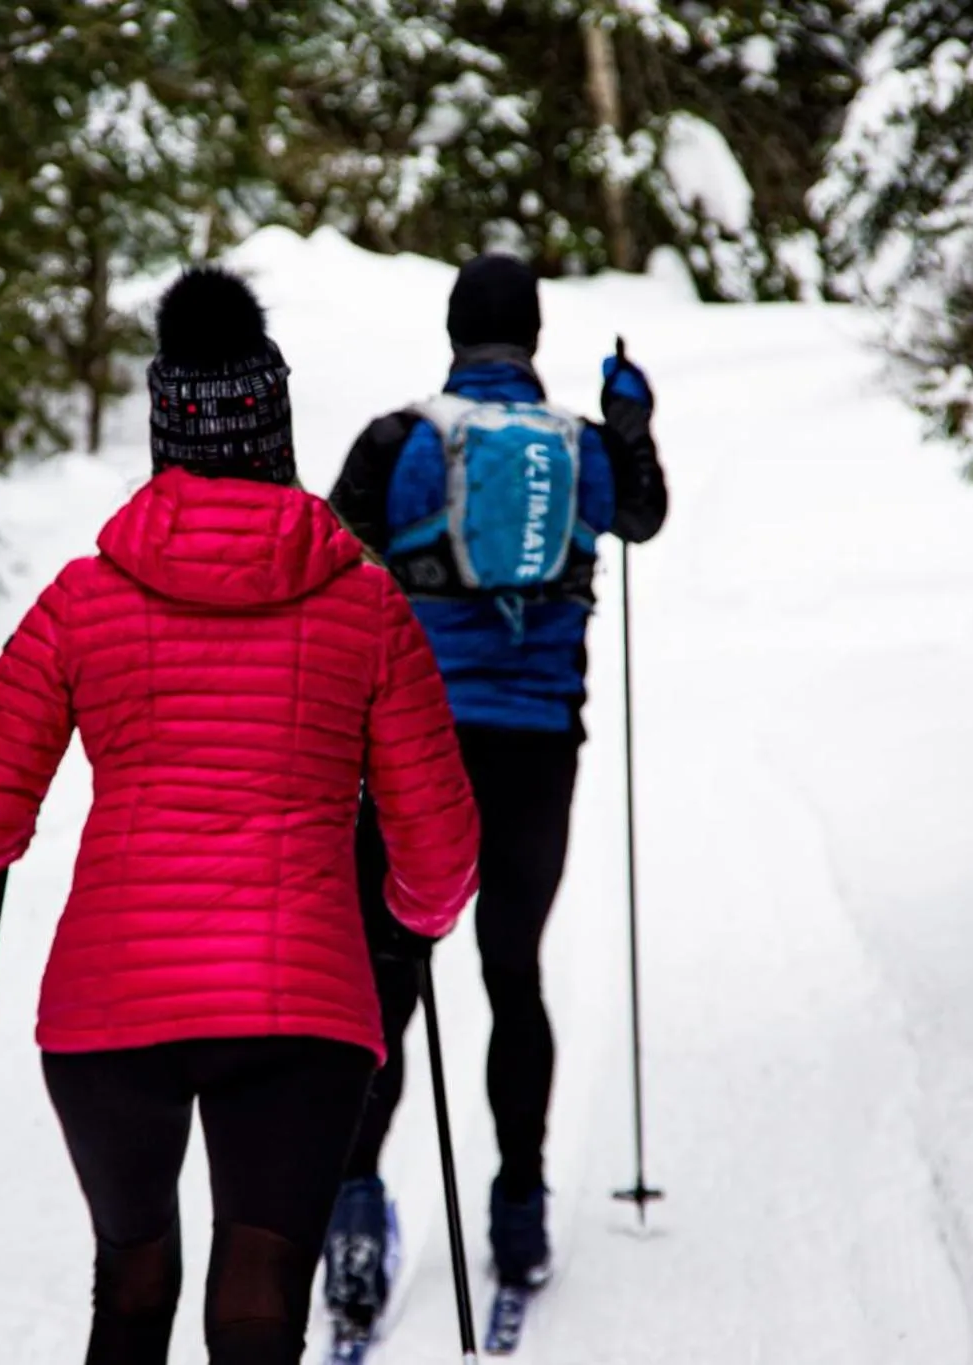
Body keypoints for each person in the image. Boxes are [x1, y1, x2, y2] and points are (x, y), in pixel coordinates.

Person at [0, 265, 480, 1365]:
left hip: (108, 1012)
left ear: (164, 431)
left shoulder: (79, 601)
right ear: (271, 426)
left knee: (131, 1286)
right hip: (303, 1012)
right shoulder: (365, 602)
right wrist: (412, 911)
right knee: (257, 1305)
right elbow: (440, 857)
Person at [321, 252, 668, 1327]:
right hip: (536, 751)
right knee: (511, 974)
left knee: (388, 976)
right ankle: (517, 1206)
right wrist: (629, 423)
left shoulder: (398, 442)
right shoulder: (577, 448)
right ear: (530, 335)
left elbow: (331, 559)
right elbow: (643, 518)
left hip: (413, 748)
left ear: (451, 331)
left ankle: (351, 1211)